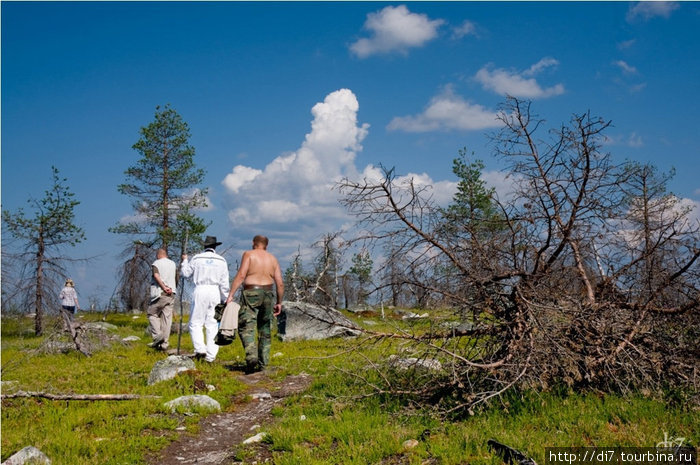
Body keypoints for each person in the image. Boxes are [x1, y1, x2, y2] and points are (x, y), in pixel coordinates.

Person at [226, 235, 284, 373]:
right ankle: (264, 363)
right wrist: (279, 302)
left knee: (247, 325)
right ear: (266, 245)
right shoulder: (273, 259)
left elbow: (241, 275)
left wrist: (231, 295)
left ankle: (251, 357)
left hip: (251, 292)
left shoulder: (249, 255)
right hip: (268, 294)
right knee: (265, 329)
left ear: (253, 243)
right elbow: (280, 283)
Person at [181, 236, 230, 362]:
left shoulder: (197, 258)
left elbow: (185, 273)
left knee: (196, 322)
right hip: (215, 291)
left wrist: (184, 261)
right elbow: (224, 282)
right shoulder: (221, 260)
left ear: (204, 246)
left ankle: (200, 348)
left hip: (200, 289)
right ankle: (210, 355)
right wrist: (226, 298)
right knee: (212, 324)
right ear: (215, 247)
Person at [147, 248, 177, 351]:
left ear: (159, 255)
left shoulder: (157, 263)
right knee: (166, 319)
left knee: (152, 314)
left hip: (160, 293)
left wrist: (164, 287)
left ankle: (157, 336)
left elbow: (156, 275)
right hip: (172, 294)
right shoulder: (173, 264)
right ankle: (164, 344)